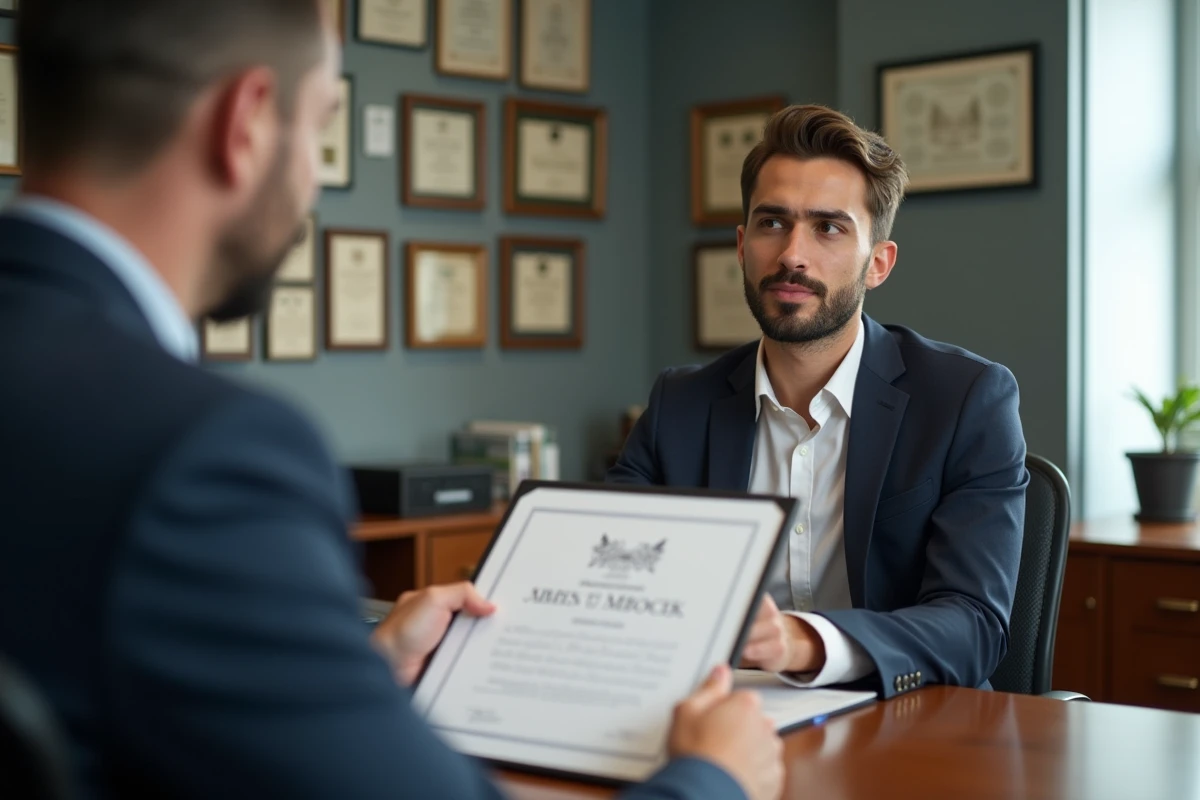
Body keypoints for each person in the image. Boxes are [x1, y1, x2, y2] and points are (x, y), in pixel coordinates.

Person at [0, 2, 783, 798]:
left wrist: (342, 676)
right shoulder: (205, 453)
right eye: (321, 128)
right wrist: (712, 775)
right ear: (245, 123)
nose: (311, 178)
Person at [609, 104, 1027, 699]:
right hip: (720, 713)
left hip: (905, 719)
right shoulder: (680, 403)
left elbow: (974, 625)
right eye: (771, 223)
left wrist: (804, 642)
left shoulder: (965, 401)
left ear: (877, 264)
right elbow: (606, 575)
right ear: (741, 245)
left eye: (828, 227)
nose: (791, 255)